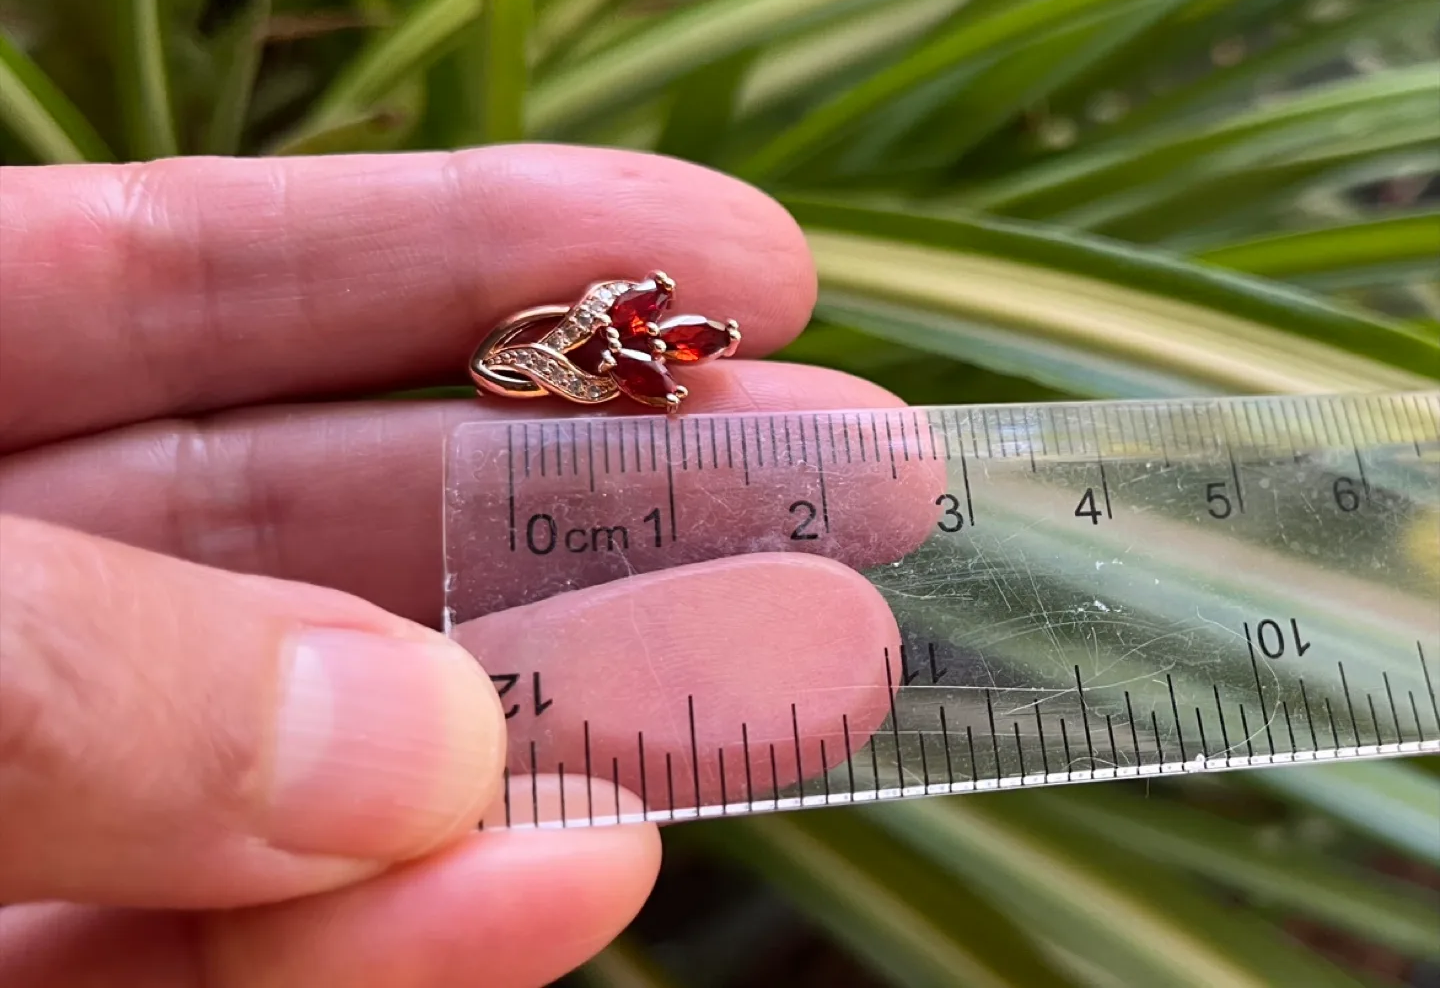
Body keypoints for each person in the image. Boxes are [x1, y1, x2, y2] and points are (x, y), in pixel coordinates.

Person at [0, 144, 904, 986]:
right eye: (668, 338)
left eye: (675, 343)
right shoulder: (606, 340)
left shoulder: (633, 352)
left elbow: (613, 359)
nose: (673, 342)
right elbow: (546, 359)